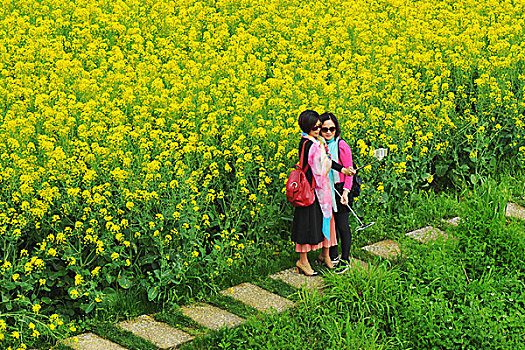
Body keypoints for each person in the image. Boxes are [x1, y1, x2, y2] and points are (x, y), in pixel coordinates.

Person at [291, 110, 354, 276]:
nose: (320, 130)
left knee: (327, 222)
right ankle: (303, 261)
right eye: (316, 127)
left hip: (319, 191)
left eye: (320, 126)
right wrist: (338, 171)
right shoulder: (310, 145)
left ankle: (324, 255)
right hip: (311, 192)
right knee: (307, 226)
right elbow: (320, 170)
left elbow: (326, 161)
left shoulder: (316, 141)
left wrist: (342, 170)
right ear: (307, 127)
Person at [319, 112, 356, 273]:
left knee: (342, 225)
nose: (328, 132)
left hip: (341, 189)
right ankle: (333, 254)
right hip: (327, 189)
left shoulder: (342, 146)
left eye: (331, 129)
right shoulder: (319, 145)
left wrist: (346, 193)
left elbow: (349, 171)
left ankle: (345, 259)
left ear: (336, 129)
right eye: (324, 129)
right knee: (330, 224)